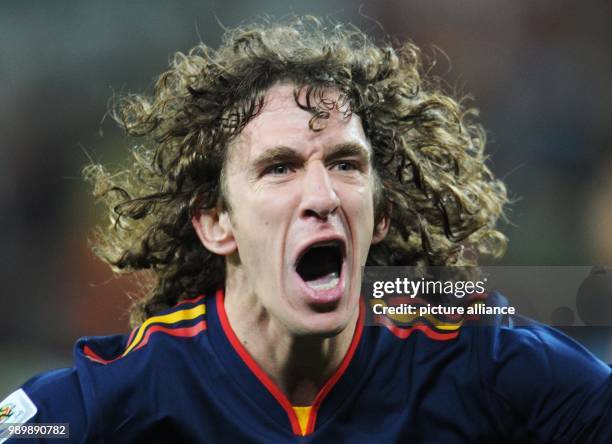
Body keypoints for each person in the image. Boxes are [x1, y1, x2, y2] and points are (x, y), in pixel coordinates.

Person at [1, 17, 610, 444]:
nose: (321, 196)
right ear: (216, 222)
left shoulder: (464, 340)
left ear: (382, 214)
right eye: (280, 167)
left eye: (346, 165)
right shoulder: (124, 394)